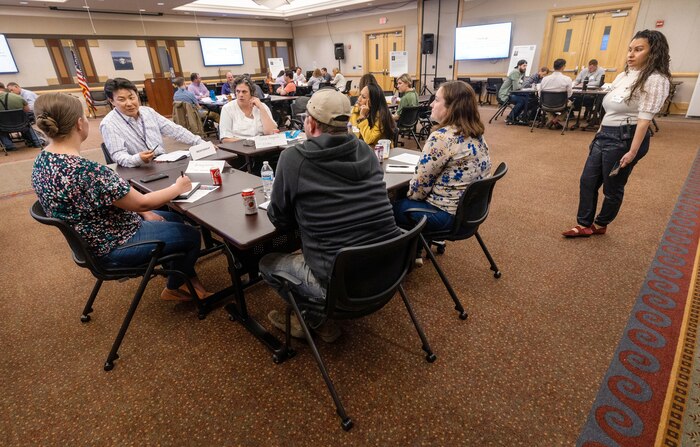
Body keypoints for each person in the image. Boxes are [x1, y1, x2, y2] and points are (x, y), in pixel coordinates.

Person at [31, 93, 210, 302]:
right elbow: (142, 202)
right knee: (190, 235)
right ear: (80, 123)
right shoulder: (88, 171)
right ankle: (175, 286)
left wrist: (144, 213)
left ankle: (183, 277)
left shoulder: (42, 161)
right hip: (114, 246)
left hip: (92, 239)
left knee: (175, 219)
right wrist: (178, 187)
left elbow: (111, 202)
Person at [259, 88, 401, 342]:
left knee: (266, 262)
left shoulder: (293, 158)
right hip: (389, 271)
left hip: (342, 288)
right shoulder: (366, 151)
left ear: (311, 123)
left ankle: (312, 320)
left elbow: (279, 218)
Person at [562, 30, 671, 238]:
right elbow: (610, 109)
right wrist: (599, 135)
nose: (631, 54)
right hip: (605, 135)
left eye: (638, 50)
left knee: (612, 186)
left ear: (653, 52)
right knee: (588, 181)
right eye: (630, 49)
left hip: (626, 137)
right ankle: (584, 224)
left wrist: (632, 152)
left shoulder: (656, 79)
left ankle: (601, 223)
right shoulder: (624, 75)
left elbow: (644, 120)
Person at [393, 81, 491, 255]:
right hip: (470, 215)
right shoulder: (477, 134)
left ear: (451, 107)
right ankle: (417, 251)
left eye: (436, 100)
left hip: (445, 217)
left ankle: (399, 262)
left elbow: (418, 191)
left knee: (387, 206)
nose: (431, 104)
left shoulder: (441, 138)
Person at [100, 77, 204, 167]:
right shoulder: (109, 124)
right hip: (137, 170)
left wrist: (199, 142)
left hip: (163, 162)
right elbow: (118, 155)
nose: (129, 103)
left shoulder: (148, 112)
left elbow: (175, 130)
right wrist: (138, 158)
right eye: (122, 100)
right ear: (112, 101)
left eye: (132, 97)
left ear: (137, 95)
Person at [219, 76, 277, 142]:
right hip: (239, 148)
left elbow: (271, 132)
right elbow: (225, 139)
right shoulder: (227, 109)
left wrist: (261, 108)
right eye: (238, 91)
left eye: (244, 92)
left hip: (263, 146)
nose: (240, 95)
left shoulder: (261, 106)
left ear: (251, 93)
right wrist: (249, 142)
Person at [350, 83, 396, 147]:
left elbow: (368, 139)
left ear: (373, 101)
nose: (359, 99)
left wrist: (362, 118)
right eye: (359, 95)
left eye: (363, 97)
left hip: (380, 152)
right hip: (362, 150)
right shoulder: (356, 111)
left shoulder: (381, 116)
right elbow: (352, 133)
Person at [0, 82, 42, 151]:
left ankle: (9, 146)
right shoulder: (17, 96)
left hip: (4, 126)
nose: (11, 91)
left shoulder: (27, 94)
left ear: (16, 87)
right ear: (4, 88)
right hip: (22, 124)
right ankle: (37, 142)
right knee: (26, 122)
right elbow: (28, 110)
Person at [539, 58, 573, 129]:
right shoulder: (567, 79)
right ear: (563, 67)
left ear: (554, 66)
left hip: (546, 104)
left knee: (546, 104)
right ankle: (555, 120)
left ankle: (551, 120)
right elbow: (569, 95)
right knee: (570, 104)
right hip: (561, 104)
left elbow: (540, 94)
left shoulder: (545, 79)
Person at [498, 59, 528, 125]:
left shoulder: (520, 73)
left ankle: (515, 117)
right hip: (505, 95)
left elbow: (520, 84)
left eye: (526, 66)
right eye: (524, 66)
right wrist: (522, 85)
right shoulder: (516, 72)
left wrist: (522, 84)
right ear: (519, 66)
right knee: (522, 101)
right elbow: (516, 88)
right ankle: (510, 118)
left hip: (510, 93)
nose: (525, 68)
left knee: (525, 100)